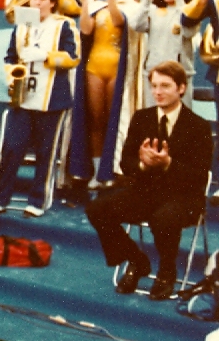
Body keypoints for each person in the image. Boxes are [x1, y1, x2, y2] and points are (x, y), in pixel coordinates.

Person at [85, 61, 212, 300]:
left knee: (163, 218)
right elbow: (125, 163)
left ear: (181, 88)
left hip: (183, 197)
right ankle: (136, 260)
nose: (158, 92)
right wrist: (143, 164)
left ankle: (166, 271)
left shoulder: (198, 126)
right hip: (146, 191)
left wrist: (168, 164)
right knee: (96, 208)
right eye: (154, 86)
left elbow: (199, 176)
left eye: (165, 86)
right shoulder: (142, 118)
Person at [0, 0, 80, 217]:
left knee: (46, 151)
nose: (37, 3)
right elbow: (10, 57)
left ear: (52, 2)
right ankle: (1, 197)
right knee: (12, 146)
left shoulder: (64, 25)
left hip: (52, 97)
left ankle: (38, 200)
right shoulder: (22, 26)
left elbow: (73, 57)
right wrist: (12, 77)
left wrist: (46, 56)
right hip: (24, 94)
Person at [69, 0, 143, 190]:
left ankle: (110, 170)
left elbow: (119, 21)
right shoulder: (96, 5)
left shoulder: (133, 6)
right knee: (96, 120)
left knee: (114, 119)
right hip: (95, 66)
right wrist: (84, 3)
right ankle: (96, 169)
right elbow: (86, 30)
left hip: (116, 69)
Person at [135, 0, 194, 107]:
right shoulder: (153, 10)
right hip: (154, 73)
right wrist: (146, 1)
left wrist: (180, 2)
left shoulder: (191, 10)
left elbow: (188, 32)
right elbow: (137, 25)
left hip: (179, 75)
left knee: (180, 121)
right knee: (154, 120)